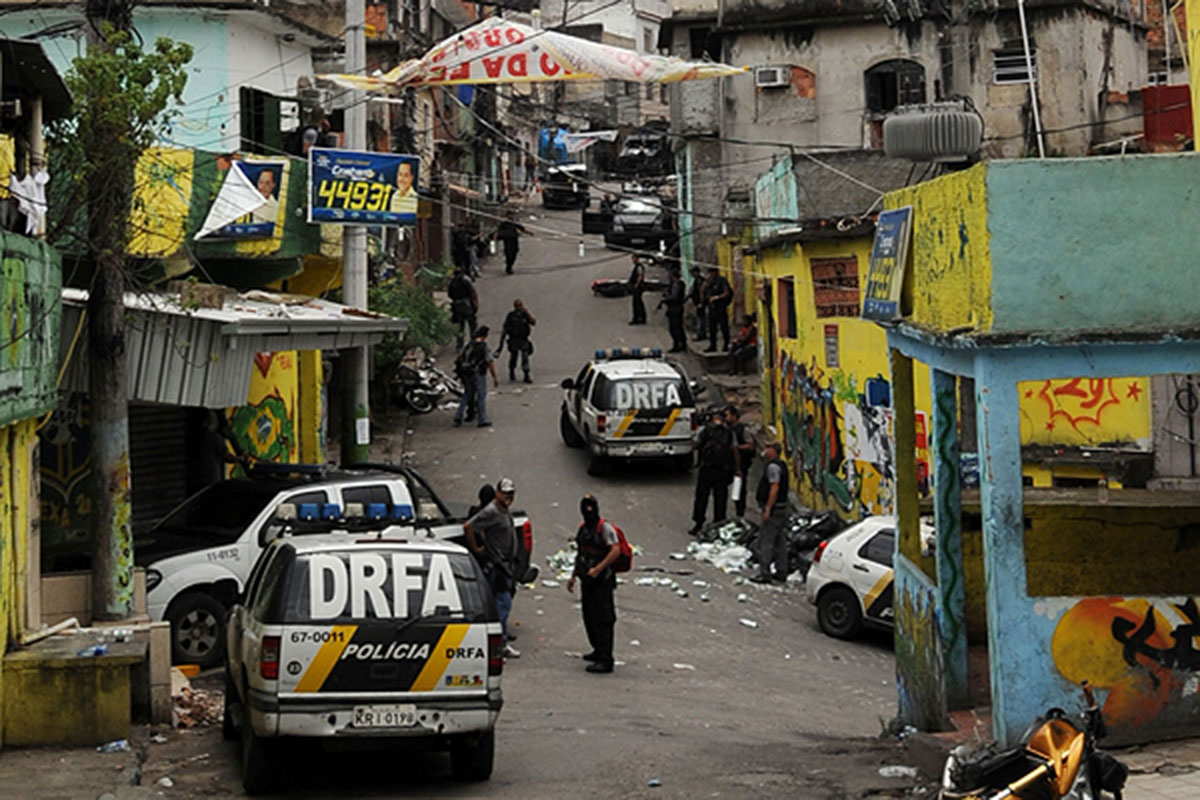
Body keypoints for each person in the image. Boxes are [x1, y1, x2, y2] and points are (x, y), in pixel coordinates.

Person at [464, 477, 521, 658]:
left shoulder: (503, 511)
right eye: (505, 493)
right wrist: (477, 548)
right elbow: (469, 527)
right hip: (497, 566)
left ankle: (497, 642)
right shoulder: (492, 511)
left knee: (499, 604)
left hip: (505, 565)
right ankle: (500, 644)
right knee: (502, 604)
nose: (508, 497)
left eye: (511, 494)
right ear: (497, 493)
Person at [566, 494, 620, 674]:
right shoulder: (583, 529)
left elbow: (615, 550)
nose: (588, 512)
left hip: (602, 582)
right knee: (589, 616)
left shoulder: (604, 528)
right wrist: (573, 576)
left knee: (603, 618)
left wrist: (599, 568)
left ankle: (606, 659)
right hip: (587, 580)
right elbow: (580, 553)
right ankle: (597, 650)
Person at [688, 408, 738, 537]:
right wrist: (737, 469)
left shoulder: (705, 430)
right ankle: (719, 523)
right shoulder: (729, 432)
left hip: (707, 468)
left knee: (701, 497)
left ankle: (698, 523)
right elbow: (734, 450)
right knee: (720, 497)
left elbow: (695, 445)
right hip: (722, 469)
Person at [751, 442, 790, 584]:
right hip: (782, 509)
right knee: (780, 542)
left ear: (773, 451)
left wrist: (767, 508)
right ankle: (781, 571)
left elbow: (774, 488)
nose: (764, 450)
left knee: (765, 542)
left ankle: (765, 573)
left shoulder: (773, 467)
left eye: (767, 448)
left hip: (774, 510)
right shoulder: (781, 465)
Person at [453, 325, 498, 428]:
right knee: (481, 395)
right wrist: (494, 377)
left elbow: (460, 356)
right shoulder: (483, 346)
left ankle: (458, 415)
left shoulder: (468, 345)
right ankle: (482, 419)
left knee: (467, 394)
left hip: (466, 372)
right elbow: (490, 362)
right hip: (478, 373)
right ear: (485, 335)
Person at [497, 298, 537, 383]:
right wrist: (500, 345)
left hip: (523, 339)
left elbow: (533, 322)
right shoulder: (511, 316)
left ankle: (526, 374)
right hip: (514, 339)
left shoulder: (524, 315)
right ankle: (512, 371)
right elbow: (505, 329)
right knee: (513, 357)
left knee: (525, 357)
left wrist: (527, 313)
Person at [725, 405, 754, 519]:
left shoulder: (742, 430)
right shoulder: (725, 429)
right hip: (727, 463)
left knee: (739, 489)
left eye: (727, 415)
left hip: (741, 463)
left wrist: (736, 448)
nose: (725, 418)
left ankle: (739, 513)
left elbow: (750, 446)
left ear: (734, 416)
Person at [702, 265, 733, 352]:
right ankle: (713, 346)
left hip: (720, 307)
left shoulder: (722, 280)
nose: (711, 274)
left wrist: (717, 297)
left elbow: (726, 293)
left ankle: (726, 345)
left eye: (712, 272)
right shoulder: (709, 282)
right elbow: (703, 292)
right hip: (712, 308)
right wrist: (705, 282)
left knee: (724, 327)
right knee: (712, 328)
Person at [447, 267, 478, 350]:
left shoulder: (452, 281)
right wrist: (475, 302)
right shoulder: (465, 279)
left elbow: (449, 294)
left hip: (457, 305)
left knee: (460, 326)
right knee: (472, 324)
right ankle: (473, 342)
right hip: (467, 305)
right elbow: (473, 291)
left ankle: (460, 344)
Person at [658, 265, 687, 352]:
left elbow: (674, 297)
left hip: (675, 308)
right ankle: (681, 344)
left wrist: (665, 299)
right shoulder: (676, 284)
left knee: (675, 328)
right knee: (677, 327)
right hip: (675, 308)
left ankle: (678, 344)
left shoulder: (677, 285)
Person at [689, 266, 708, 341]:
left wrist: (701, 302)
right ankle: (702, 333)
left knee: (701, 319)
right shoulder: (696, 280)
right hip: (698, 302)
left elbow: (701, 292)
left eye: (693, 272)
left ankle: (700, 334)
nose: (692, 274)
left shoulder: (700, 281)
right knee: (701, 318)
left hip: (700, 303)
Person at [628, 255, 647, 325]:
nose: (632, 260)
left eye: (633, 259)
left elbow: (640, 276)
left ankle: (638, 318)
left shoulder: (639, 267)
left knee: (637, 303)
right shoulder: (637, 266)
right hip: (637, 287)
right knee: (638, 302)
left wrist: (636, 284)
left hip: (638, 288)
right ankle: (640, 317)